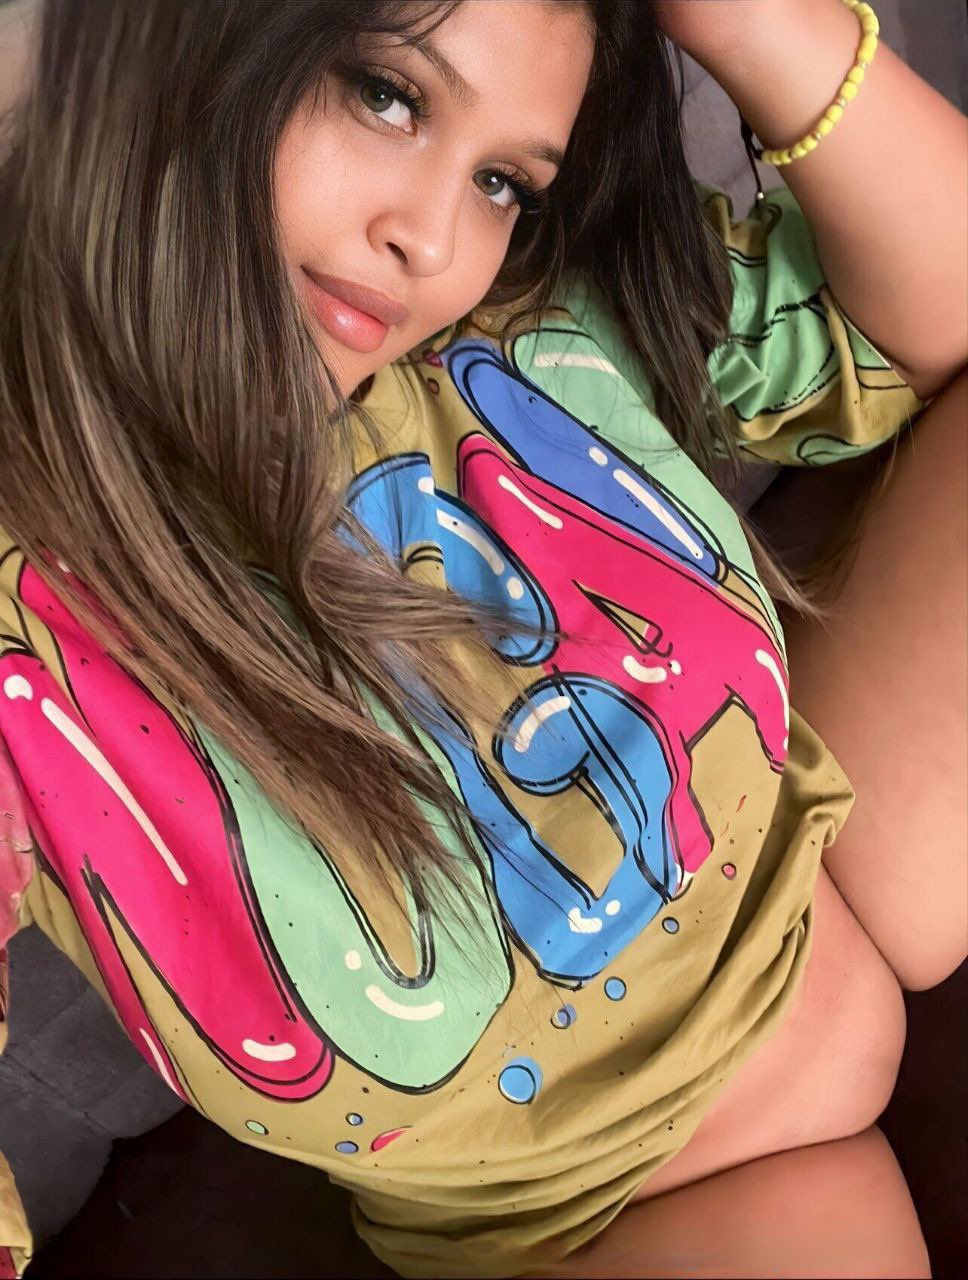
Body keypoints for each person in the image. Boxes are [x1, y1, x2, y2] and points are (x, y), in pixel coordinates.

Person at [0, 0, 965, 1276]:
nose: (432, 240)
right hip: (617, 1213)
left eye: (502, 179)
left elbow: (924, 307)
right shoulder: (29, 624)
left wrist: (732, 17)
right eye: (385, 95)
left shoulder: (514, 323)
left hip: (853, 878)